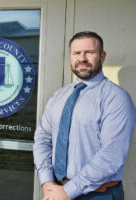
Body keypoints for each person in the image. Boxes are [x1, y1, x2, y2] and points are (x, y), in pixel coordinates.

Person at [33, 31, 136, 200]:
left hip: (98, 195)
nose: (82, 58)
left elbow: (111, 155)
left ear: (102, 56)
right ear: (70, 57)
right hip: (56, 190)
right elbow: (42, 139)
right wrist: (47, 182)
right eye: (77, 53)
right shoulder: (58, 96)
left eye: (90, 52)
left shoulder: (117, 98)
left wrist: (68, 191)